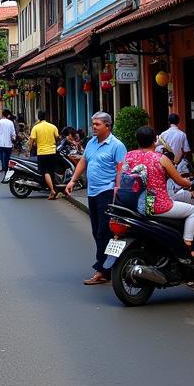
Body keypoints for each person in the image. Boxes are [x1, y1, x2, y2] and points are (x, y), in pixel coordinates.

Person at [121, 126, 194, 259]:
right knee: (192, 211)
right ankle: (187, 250)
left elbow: (122, 176)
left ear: (137, 140)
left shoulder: (129, 156)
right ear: (154, 141)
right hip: (155, 204)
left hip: (133, 203)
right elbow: (179, 181)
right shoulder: (161, 159)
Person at [65, 112, 126, 284]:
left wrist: (117, 188)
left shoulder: (116, 145)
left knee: (103, 231)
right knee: (96, 231)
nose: (93, 127)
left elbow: (121, 169)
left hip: (106, 193)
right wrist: (73, 180)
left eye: (97, 124)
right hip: (92, 193)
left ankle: (102, 270)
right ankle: (108, 266)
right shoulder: (91, 143)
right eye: (93, 124)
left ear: (108, 126)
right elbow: (84, 161)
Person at [29, 109, 61, 199]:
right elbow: (57, 137)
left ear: (38, 117)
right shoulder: (52, 126)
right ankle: (53, 189)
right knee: (51, 171)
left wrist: (30, 149)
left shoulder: (36, 127)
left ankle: (52, 190)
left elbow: (31, 140)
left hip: (42, 152)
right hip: (52, 152)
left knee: (45, 171)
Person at [0, 109, 16, 176]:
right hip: (8, 143)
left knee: (1, 156)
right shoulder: (11, 122)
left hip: (0, 142)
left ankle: (4, 167)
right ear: (8, 115)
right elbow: (13, 133)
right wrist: (14, 139)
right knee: (7, 156)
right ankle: (5, 167)